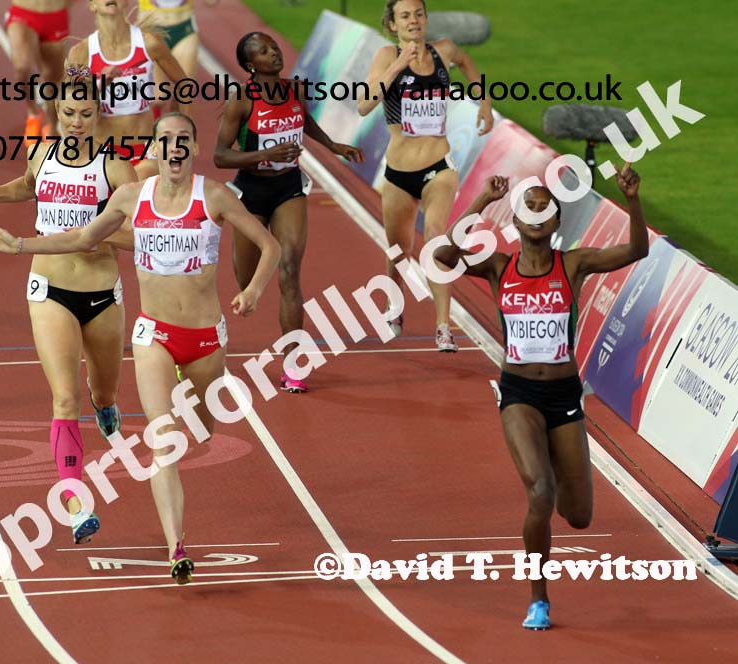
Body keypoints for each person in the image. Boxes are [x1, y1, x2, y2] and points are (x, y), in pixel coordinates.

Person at [0, 113, 281, 584]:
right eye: (166, 140)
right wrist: (19, 246)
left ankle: (183, 395)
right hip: (153, 334)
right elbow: (82, 236)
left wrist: (256, 290)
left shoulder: (214, 196)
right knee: (163, 443)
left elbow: (270, 247)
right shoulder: (130, 197)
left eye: (183, 140)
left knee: (200, 430)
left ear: (193, 148)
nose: (174, 148)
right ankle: (177, 545)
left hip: (203, 339)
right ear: (154, 150)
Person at [434, 164, 648, 629]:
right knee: (539, 491)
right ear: (515, 221)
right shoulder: (498, 266)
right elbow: (444, 256)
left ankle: (551, 463)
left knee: (578, 516)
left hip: (565, 397)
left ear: (555, 224)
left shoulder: (572, 264)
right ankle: (538, 599)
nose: (535, 216)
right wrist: (479, 202)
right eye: (526, 209)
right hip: (519, 393)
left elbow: (635, 249)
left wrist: (632, 199)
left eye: (543, 210)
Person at [0, 75, 139, 544]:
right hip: (49, 291)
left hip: (101, 295)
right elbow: (28, 184)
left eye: (85, 114)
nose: (76, 123)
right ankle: (76, 502)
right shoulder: (41, 153)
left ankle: (106, 407)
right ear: (57, 114)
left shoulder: (116, 170)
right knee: (63, 398)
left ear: (99, 114)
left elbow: (140, 234)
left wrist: (92, 237)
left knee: (102, 390)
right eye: (67, 115)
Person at [214, 32, 363, 393]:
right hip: (251, 191)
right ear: (251, 64)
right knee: (247, 279)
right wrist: (263, 156)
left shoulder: (295, 90)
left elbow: (304, 119)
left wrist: (331, 144)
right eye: (264, 51)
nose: (275, 53)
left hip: (288, 187)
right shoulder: (241, 100)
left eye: (275, 47)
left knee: (290, 268)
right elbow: (220, 155)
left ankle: (294, 364)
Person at [358, 0, 493, 352]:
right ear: (392, 24)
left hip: (439, 167)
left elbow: (465, 61)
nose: (414, 20)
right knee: (399, 249)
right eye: (405, 16)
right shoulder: (387, 56)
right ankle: (394, 300)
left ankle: (442, 326)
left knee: (434, 239)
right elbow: (363, 105)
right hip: (399, 173)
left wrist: (484, 101)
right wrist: (398, 66)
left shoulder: (443, 50)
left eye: (418, 14)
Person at [68, 0, 191, 176]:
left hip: (144, 152)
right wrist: (100, 84)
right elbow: (71, 105)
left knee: (133, 192)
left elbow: (184, 85)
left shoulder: (150, 44)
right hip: (101, 152)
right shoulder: (80, 53)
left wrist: (180, 127)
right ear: (92, 5)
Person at [0, 0, 74, 140]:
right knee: (21, 68)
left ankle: (52, 127)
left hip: (56, 16)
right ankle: (33, 113)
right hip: (23, 12)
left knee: (53, 79)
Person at [137, 0, 219, 84]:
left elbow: (211, 2)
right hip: (151, 30)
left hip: (183, 29)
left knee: (185, 88)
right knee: (158, 93)